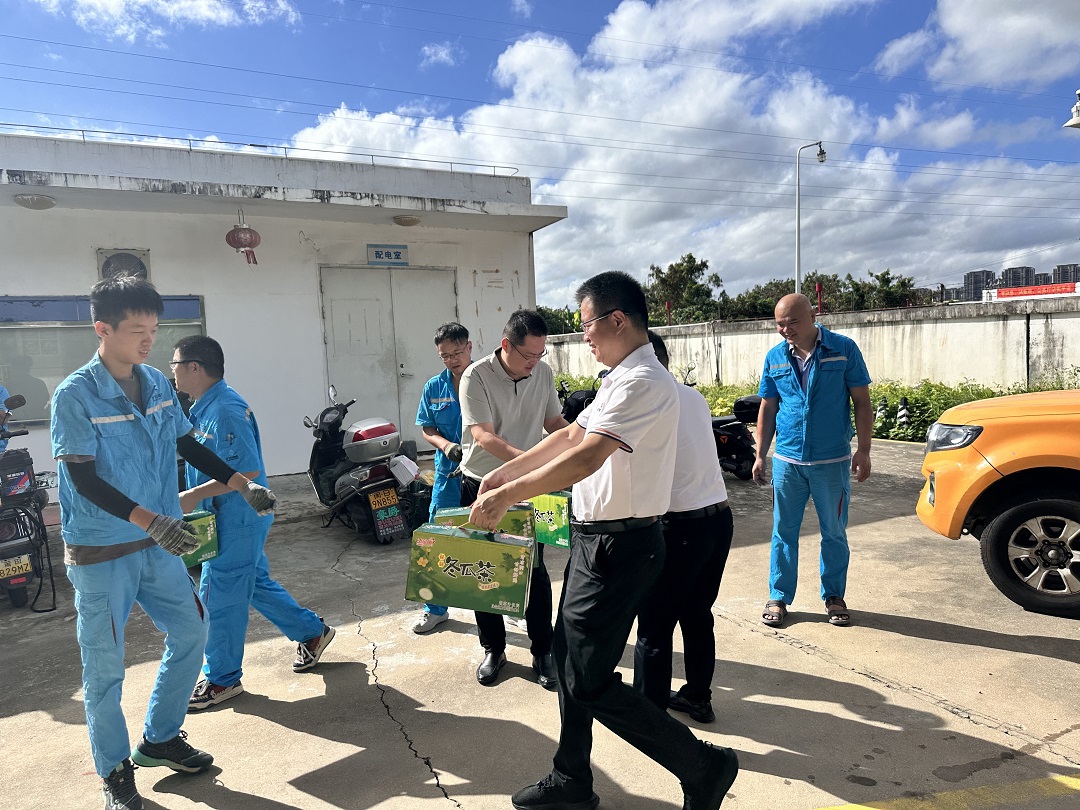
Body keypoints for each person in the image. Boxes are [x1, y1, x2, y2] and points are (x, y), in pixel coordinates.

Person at [469, 271, 739, 810]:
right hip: (593, 542)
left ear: (617, 320)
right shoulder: (619, 378)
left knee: (589, 680)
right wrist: (504, 473)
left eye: (587, 325)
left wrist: (509, 494)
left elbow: (587, 458)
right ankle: (571, 778)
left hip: (623, 547)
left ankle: (703, 766)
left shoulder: (645, 382)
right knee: (568, 660)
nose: (584, 336)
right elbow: (571, 435)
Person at [50, 275, 277, 810]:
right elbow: (82, 479)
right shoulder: (74, 395)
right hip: (103, 550)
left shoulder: (155, 383)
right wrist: (150, 520)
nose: (148, 340)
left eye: (153, 329)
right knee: (104, 668)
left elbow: (185, 444)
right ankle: (114, 771)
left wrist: (242, 484)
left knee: (192, 631)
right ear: (103, 329)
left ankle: (161, 738)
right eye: (136, 331)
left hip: (158, 545)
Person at [172, 336, 335, 711]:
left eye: (175, 365)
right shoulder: (202, 407)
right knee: (254, 583)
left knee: (219, 597)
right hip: (226, 516)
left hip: (237, 517)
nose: (173, 373)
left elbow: (247, 471)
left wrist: (193, 495)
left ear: (195, 367)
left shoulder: (226, 411)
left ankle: (222, 679)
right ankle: (313, 632)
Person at [458, 309, 567, 689]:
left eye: (540, 355)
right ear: (506, 345)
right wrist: (530, 463)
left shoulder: (543, 373)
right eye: (528, 355)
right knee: (485, 570)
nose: (535, 363)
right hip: (482, 485)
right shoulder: (476, 376)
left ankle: (543, 650)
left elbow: (555, 424)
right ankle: (494, 649)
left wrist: (582, 445)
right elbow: (484, 436)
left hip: (528, 487)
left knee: (533, 570)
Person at [753, 293, 872, 629]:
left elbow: (862, 402)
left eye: (792, 321)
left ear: (813, 316)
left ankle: (833, 596)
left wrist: (864, 449)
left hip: (831, 461)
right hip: (788, 460)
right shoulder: (775, 357)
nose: (785, 329)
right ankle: (778, 595)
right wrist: (760, 454)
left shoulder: (843, 349)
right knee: (783, 531)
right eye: (780, 323)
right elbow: (768, 407)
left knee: (834, 532)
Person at [634, 330, 734, 726]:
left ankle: (648, 720)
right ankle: (698, 698)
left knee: (654, 624)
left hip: (680, 529)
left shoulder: (647, 401)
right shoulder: (693, 396)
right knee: (697, 615)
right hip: (718, 521)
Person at [411, 322, 472, 634]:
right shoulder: (434, 387)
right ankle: (434, 609)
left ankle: (504, 603)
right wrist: (446, 446)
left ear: (469, 347)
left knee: (493, 535)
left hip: (484, 473)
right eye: (444, 356)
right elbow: (427, 428)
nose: (451, 360)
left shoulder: (488, 380)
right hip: (448, 473)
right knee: (437, 538)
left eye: (456, 353)